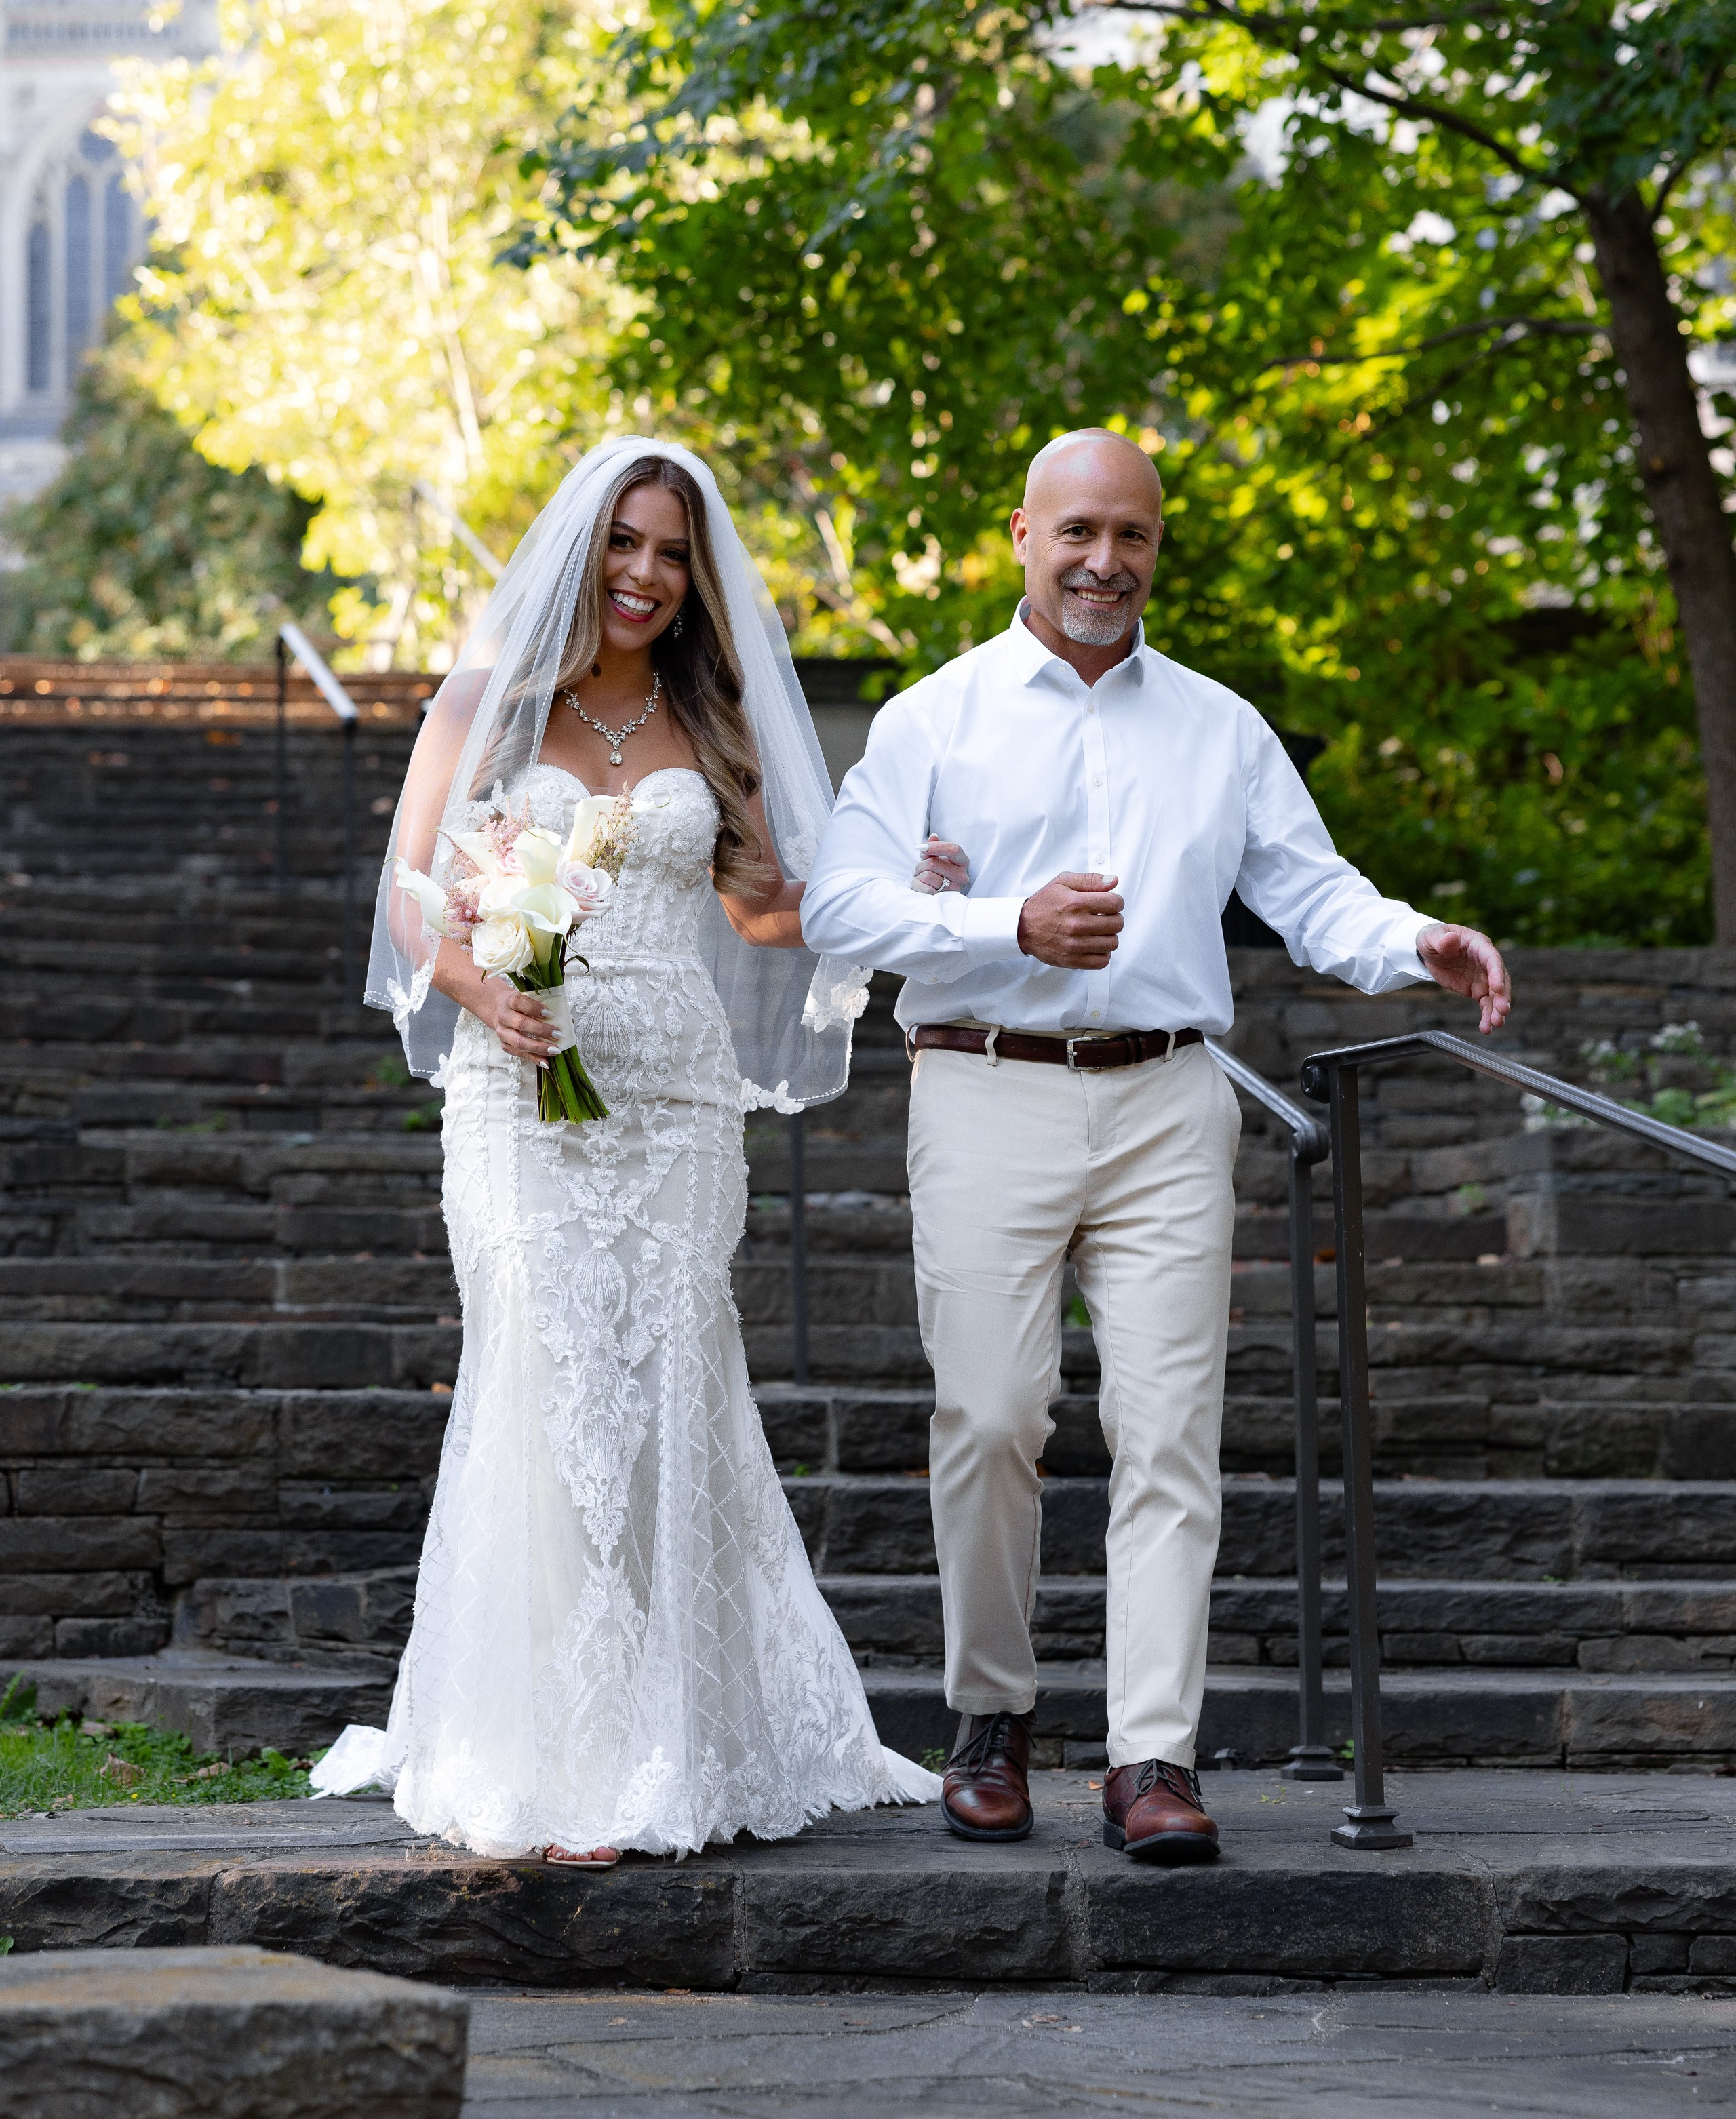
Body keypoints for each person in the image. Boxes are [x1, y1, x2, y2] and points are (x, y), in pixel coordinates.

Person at [801, 427, 1511, 1865]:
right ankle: (989, 1718)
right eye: (1076, 531)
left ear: (1154, 548)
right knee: (992, 1416)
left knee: (1170, 1433)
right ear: (1019, 533)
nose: (1102, 561)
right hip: (983, 1084)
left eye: (1129, 535)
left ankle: (1149, 1757)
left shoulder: (1217, 725)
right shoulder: (929, 718)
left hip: (1169, 1101)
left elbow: (1311, 894)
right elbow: (838, 907)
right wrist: (1002, 922)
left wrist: (1412, 939)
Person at [309, 437, 942, 1859]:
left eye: (671, 553)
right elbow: (414, 899)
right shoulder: (478, 706)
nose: (646, 575)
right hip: (517, 1093)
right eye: (625, 545)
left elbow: (772, 914)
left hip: (674, 1100)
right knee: (545, 1370)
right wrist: (481, 984)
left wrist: (901, 883)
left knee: (664, 1386)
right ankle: (543, 1743)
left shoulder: (701, 724)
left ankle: (664, 1735)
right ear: (580, 552)